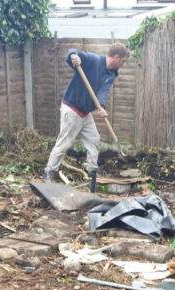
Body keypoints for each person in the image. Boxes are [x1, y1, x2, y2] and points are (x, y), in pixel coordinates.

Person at [41, 43, 130, 192]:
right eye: (123, 61)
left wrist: (101, 108)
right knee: (64, 142)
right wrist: (73, 57)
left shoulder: (111, 74)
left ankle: (92, 173)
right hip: (72, 108)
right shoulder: (94, 60)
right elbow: (73, 53)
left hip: (85, 112)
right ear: (116, 57)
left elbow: (103, 92)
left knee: (94, 140)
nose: (123, 64)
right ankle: (49, 173)